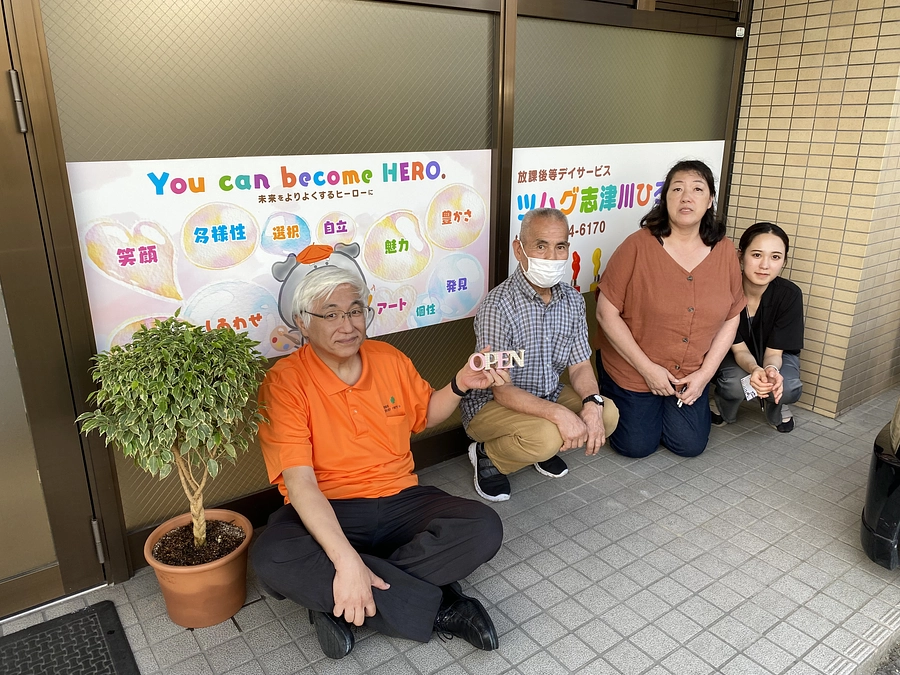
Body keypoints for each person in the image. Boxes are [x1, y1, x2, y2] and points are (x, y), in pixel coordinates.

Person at [251, 265, 509, 660]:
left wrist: (459, 383)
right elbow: (301, 484)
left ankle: (338, 601)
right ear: (303, 323)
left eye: (355, 311)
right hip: (330, 506)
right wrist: (345, 559)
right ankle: (442, 606)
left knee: (483, 527)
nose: (348, 324)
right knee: (272, 555)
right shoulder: (284, 382)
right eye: (331, 313)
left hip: (401, 498)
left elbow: (425, 413)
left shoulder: (388, 358)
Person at [461, 208, 619, 502]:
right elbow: (502, 391)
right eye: (541, 246)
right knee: (548, 434)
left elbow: (581, 365)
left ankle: (544, 445)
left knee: (606, 413)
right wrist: (558, 414)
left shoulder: (571, 299)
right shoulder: (499, 305)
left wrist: (592, 404)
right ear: (519, 249)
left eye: (560, 247)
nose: (551, 256)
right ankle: (488, 455)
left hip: (547, 393)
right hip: (490, 403)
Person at [595, 160, 745, 458]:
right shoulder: (637, 246)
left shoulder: (725, 250)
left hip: (689, 374)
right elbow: (605, 312)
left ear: (710, 199)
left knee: (689, 446)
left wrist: (704, 375)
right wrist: (648, 370)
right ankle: (620, 396)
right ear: (665, 199)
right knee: (636, 446)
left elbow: (732, 316)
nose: (686, 197)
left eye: (697, 189)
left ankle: (665, 408)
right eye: (677, 189)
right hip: (634, 371)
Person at [711, 222, 803, 432]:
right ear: (740, 255)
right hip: (734, 355)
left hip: (774, 355)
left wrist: (769, 371)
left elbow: (774, 353)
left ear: (784, 262)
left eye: (775, 257)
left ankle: (777, 406)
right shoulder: (723, 291)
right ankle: (724, 405)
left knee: (786, 387)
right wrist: (754, 369)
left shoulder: (789, 294)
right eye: (757, 255)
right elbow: (740, 350)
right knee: (734, 384)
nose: (765, 265)